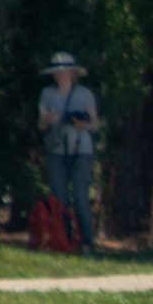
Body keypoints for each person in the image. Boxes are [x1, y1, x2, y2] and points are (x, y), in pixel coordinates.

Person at [37, 52, 101, 252]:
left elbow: (95, 124)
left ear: (72, 73)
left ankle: (87, 243)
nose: (59, 74)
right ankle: (64, 241)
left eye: (63, 71)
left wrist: (83, 125)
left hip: (81, 150)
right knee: (59, 198)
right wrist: (47, 119)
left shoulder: (85, 94)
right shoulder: (47, 94)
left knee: (81, 197)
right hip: (56, 150)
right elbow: (41, 127)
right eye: (56, 71)